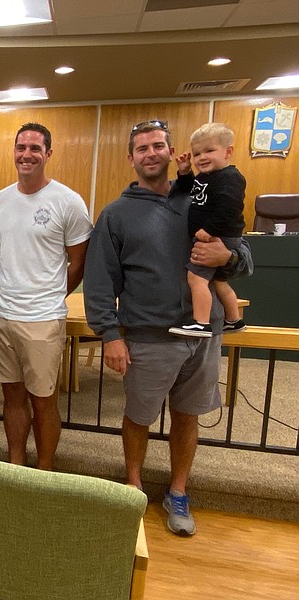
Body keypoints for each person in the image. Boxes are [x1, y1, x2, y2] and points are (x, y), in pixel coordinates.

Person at [83, 120, 253, 536]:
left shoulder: (202, 196)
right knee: (138, 417)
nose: (151, 153)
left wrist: (224, 257)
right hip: (148, 336)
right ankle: (134, 486)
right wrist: (108, 335)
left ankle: (178, 491)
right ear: (132, 158)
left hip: (203, 337)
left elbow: (244, 258)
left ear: (172, 151)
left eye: (158, 145)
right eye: (142, 148)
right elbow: (101, 280)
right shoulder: (116, 214)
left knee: (188, 416)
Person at [0, 122, 93, 469]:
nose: (27, 154)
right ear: (14, 152)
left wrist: (50, 297)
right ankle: (16, 465)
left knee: (43, 401)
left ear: (48, 153)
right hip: (3, 316)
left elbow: (78, 262)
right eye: (21, 147)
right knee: (12, 397)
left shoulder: (68, 201)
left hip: (44, 319)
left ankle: (44, 470)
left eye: (35, 148)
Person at [169, 122, 247, 337]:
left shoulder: (229, 178)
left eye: (209, 151)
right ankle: (234, 319)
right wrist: (185, 173)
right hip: (215, 236)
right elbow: (191, 191)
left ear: (228, 151)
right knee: (219, 281)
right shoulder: (205, 177)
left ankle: (201, 322)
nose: (201, 157)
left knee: (197, 279)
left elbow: (229, 208)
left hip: (218, 238)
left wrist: (209, 230)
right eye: (196, 153)